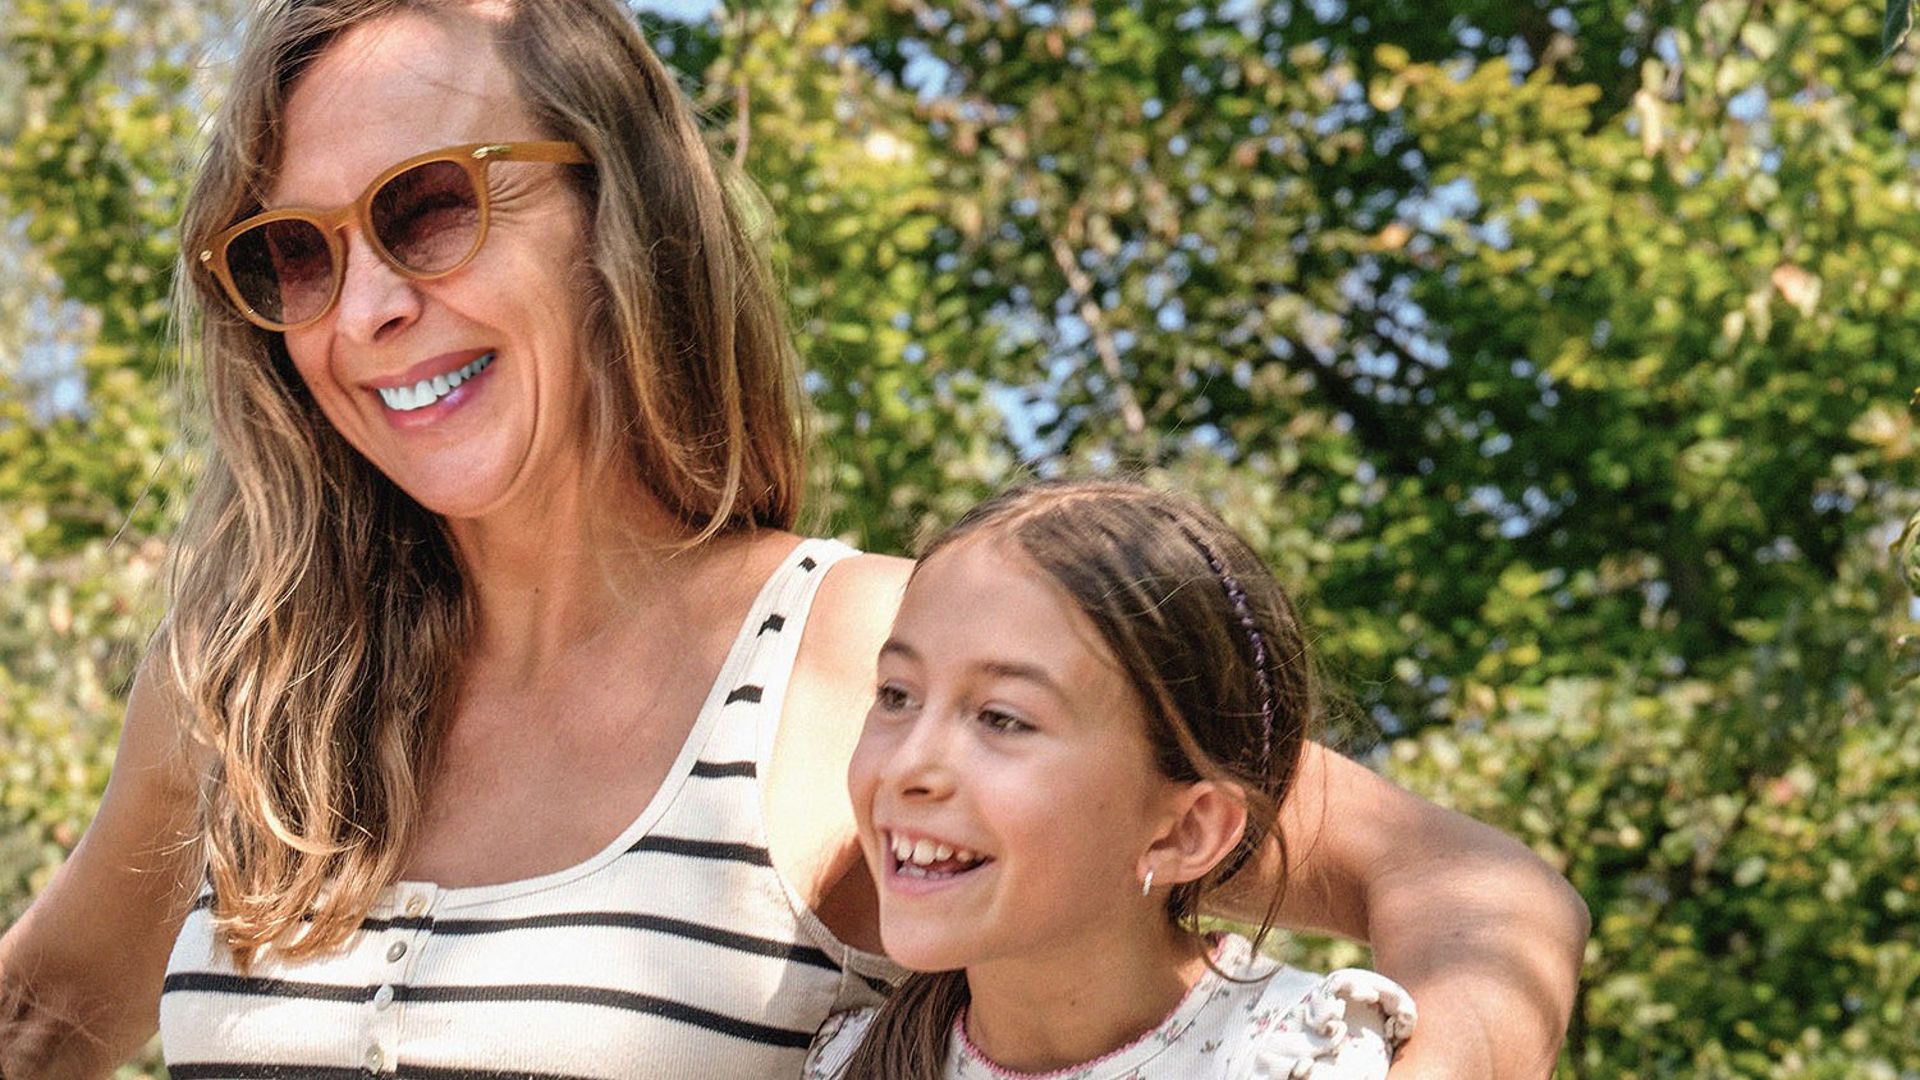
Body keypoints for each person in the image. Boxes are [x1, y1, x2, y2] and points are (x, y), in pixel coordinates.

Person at [0, 1, 1588, 1077]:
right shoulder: (256, 685)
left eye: (427, 209)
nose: (366, 311)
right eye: (292, 255)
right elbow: (60, 1002)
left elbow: (1469, 885)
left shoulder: (881, 674)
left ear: (623, 217)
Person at [805, 480, 1418, 1079]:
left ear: (1185, 830)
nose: (909, 765)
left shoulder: (1304, 1056)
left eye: (1002, 718)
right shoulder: (843, 1061)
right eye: (896, 695)